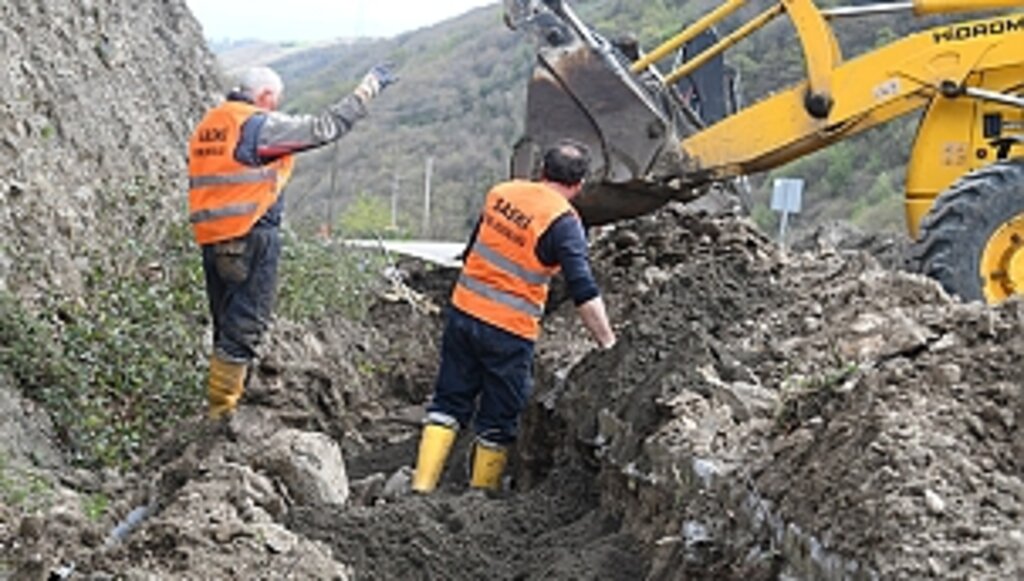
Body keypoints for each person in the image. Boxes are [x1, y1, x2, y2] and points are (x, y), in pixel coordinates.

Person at [188, 64, 396, 419]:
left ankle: (223, 404)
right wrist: (367, 91)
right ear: (266, 97)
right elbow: (321, 128)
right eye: (275, 101)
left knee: (226, 326)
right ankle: (220, 415)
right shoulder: (256, 125)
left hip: (213, 238)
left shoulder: (212, 124)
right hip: (252, 234)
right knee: (244, 327)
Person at [412, 139, 616, 493]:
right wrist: (608, 342)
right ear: (580, 185)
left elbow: (474, 246)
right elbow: (583, 289)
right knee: (499, 417)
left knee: (448, 401)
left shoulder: (501, 193)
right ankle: (480, 496)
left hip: (464, 312)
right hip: (509, 330)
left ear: (541, 171)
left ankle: (422, 486)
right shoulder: (564, 223)